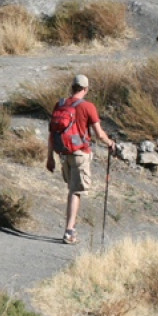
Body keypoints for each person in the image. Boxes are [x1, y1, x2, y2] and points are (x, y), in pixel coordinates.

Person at [46, 74, 116, 245]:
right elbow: (99, 134)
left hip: (63, 154)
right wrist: (110, 143)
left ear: (72, 87)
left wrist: (49, 158)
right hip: (79, 153)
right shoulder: (88, 107)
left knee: (71, 189)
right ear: (85, 89)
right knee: (76, 191)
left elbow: (51, 133)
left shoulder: (60, 104)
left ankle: (70, 229)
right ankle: (69, 231)